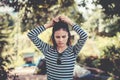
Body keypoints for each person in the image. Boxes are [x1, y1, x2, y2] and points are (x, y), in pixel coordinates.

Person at [27, 15, 88, 80]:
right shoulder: (47, 50)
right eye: (57, 37)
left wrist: (69, 22)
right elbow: (31, 34)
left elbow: (84, 36)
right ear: (53, 37)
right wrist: (49, 24)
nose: (61, 40)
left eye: (63, 36)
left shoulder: (73, 50)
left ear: (68, 36)